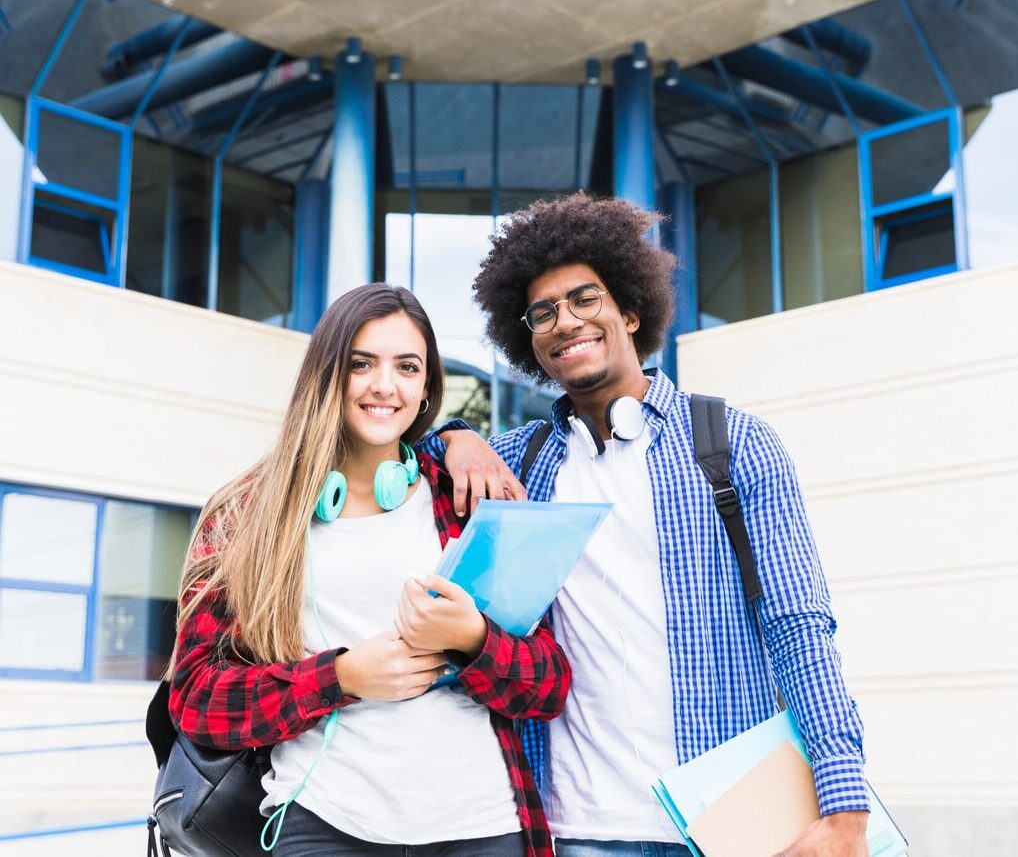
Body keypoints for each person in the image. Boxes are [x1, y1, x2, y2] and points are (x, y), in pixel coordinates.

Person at [421, 193, 870, 857]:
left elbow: (799, 624)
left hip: (731, 825)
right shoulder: (521, 464)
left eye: (584, 299)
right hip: (576, 828)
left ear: (631, 310)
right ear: (530, 344)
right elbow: (404, 451)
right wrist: (457, 436)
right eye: (542, 313)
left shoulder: (733, 444)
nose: (563, 321)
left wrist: (844, 802)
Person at [166, 283, 570, 857]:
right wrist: (342, 678)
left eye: (408, 366)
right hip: (322, 822)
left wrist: (473, 640)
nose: (386, 385)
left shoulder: (467, 505)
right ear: (326, 374)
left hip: (481, 825)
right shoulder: (249, 515)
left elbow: (547, 684)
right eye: (362, 364)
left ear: (427, 387)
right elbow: (200, 700)